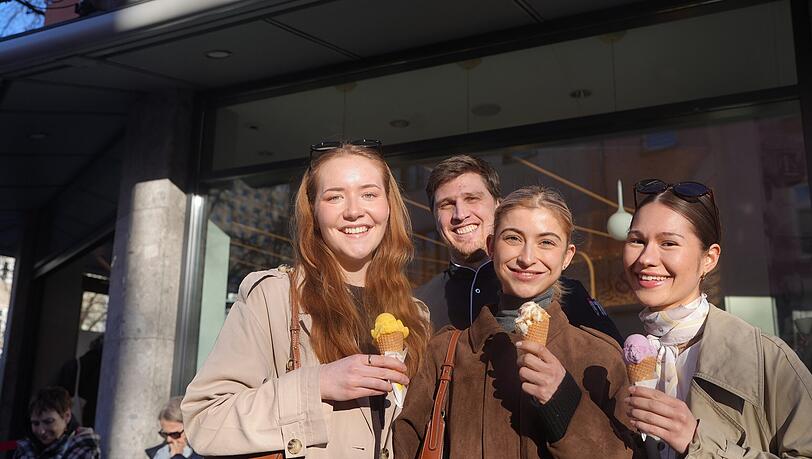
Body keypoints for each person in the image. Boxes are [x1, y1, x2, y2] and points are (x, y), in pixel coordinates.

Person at [182, 140, 431, 458]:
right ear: (313, 210)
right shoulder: (271, 297)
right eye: (334, 197)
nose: (354, 211)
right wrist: (317, 385)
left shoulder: (415, 314)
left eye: (369, 194)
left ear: (388, 207)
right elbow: (205, 421)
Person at [395, 186, 635, 458]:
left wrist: (563, 401)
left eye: (546, 242)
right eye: (512, 238)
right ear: (491, 247)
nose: (527, 258)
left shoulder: (600, 356)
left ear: (567, 256)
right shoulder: (443, 354)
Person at [622, 179, 812, 458]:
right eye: (637, 240)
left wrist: (699, 444)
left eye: (669, 243)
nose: (646, 258)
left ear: (709, 259)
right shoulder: (613, 358)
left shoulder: (767, 360)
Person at [415, 155, 623, 344]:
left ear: (498, 205)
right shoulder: (419, 305)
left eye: (472, 198)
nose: (460, 214)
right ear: (434, 216)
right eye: (447, 204)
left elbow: (615, 363)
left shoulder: (565, 293)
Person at [14, 386, 100, 459]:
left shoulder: (83, 446)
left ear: (67, 416)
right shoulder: (25, 447)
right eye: (35, 423)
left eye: (48, 422)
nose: (41, 431)